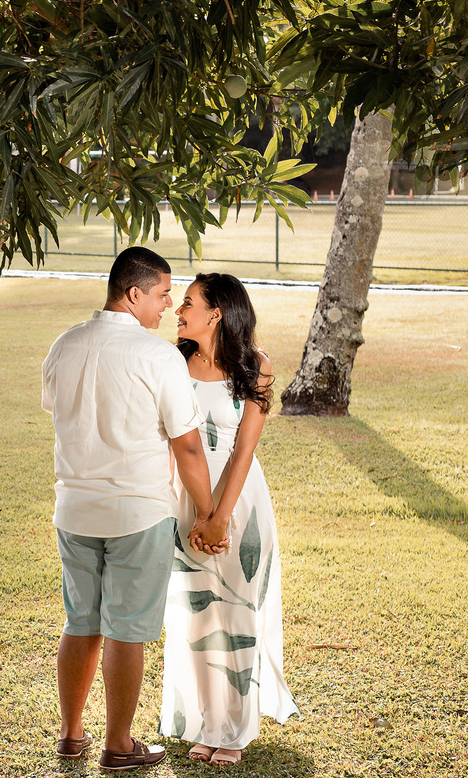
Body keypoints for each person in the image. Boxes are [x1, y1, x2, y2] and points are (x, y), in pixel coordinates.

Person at [42, 247, 228, 771]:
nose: (169, 304)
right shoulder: (158, 357)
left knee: (81, 622)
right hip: (137, 516)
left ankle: (71, 734)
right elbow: (188, 447)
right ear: (134, 294)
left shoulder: (63, 345)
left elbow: (61, 415)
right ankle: (119, 744)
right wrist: (210, 511)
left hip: (75, 510)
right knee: (125, 628)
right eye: (164, 293)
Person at [158, 273, 299, 767]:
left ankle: (234, 729)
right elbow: (178, 443)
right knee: (196, 613)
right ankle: (204, 722)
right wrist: (200, 512)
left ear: (217, 312)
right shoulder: (173, 362)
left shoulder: (254, 366)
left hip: (242, 500)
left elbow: (243, 450)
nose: (178, 309)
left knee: (237, 611)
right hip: (186, 501)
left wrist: (221, 516)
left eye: (189, 303)